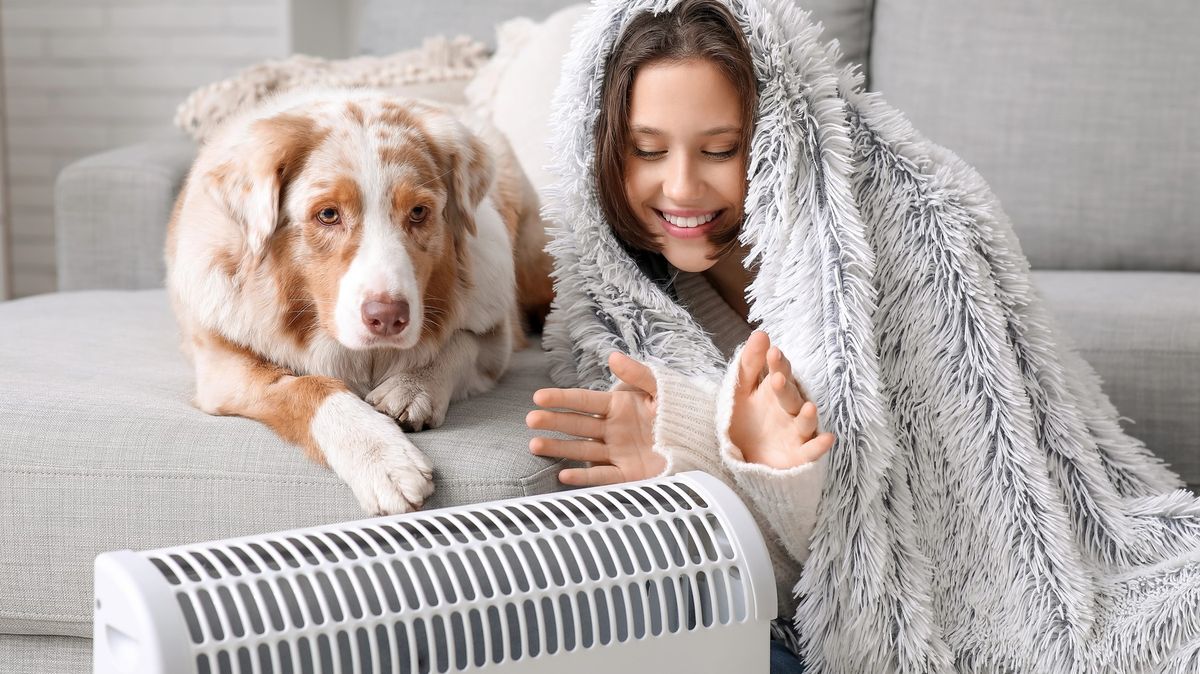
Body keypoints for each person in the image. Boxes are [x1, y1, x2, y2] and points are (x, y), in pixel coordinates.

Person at [525, 1, 829, 670]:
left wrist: (782, 473)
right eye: (648, 150)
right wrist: (690, 460)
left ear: (776, 141)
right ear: (604, 150)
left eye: (720, 150)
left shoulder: (857, 268)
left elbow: (879, 568)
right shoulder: (617, 317)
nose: (683, 187)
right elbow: (744, 595)